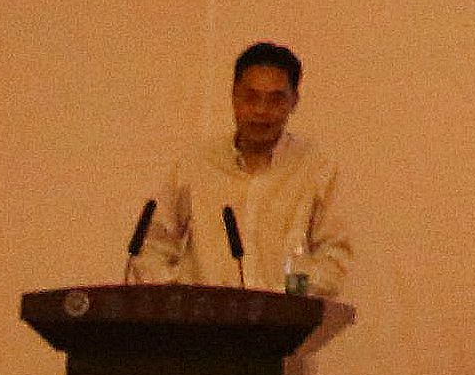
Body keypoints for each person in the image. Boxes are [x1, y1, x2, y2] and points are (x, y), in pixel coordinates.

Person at [143, 41, 354, 298]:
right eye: (251, 97)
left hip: (284, 317)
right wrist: (179, 297)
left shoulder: (316, 170)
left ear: (294, 102)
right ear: (234, 96)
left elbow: (334, 259)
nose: (261, 111)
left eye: (275, 100)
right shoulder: (196, 166)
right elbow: (152, 245)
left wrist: (286, 297)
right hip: (204, 318)